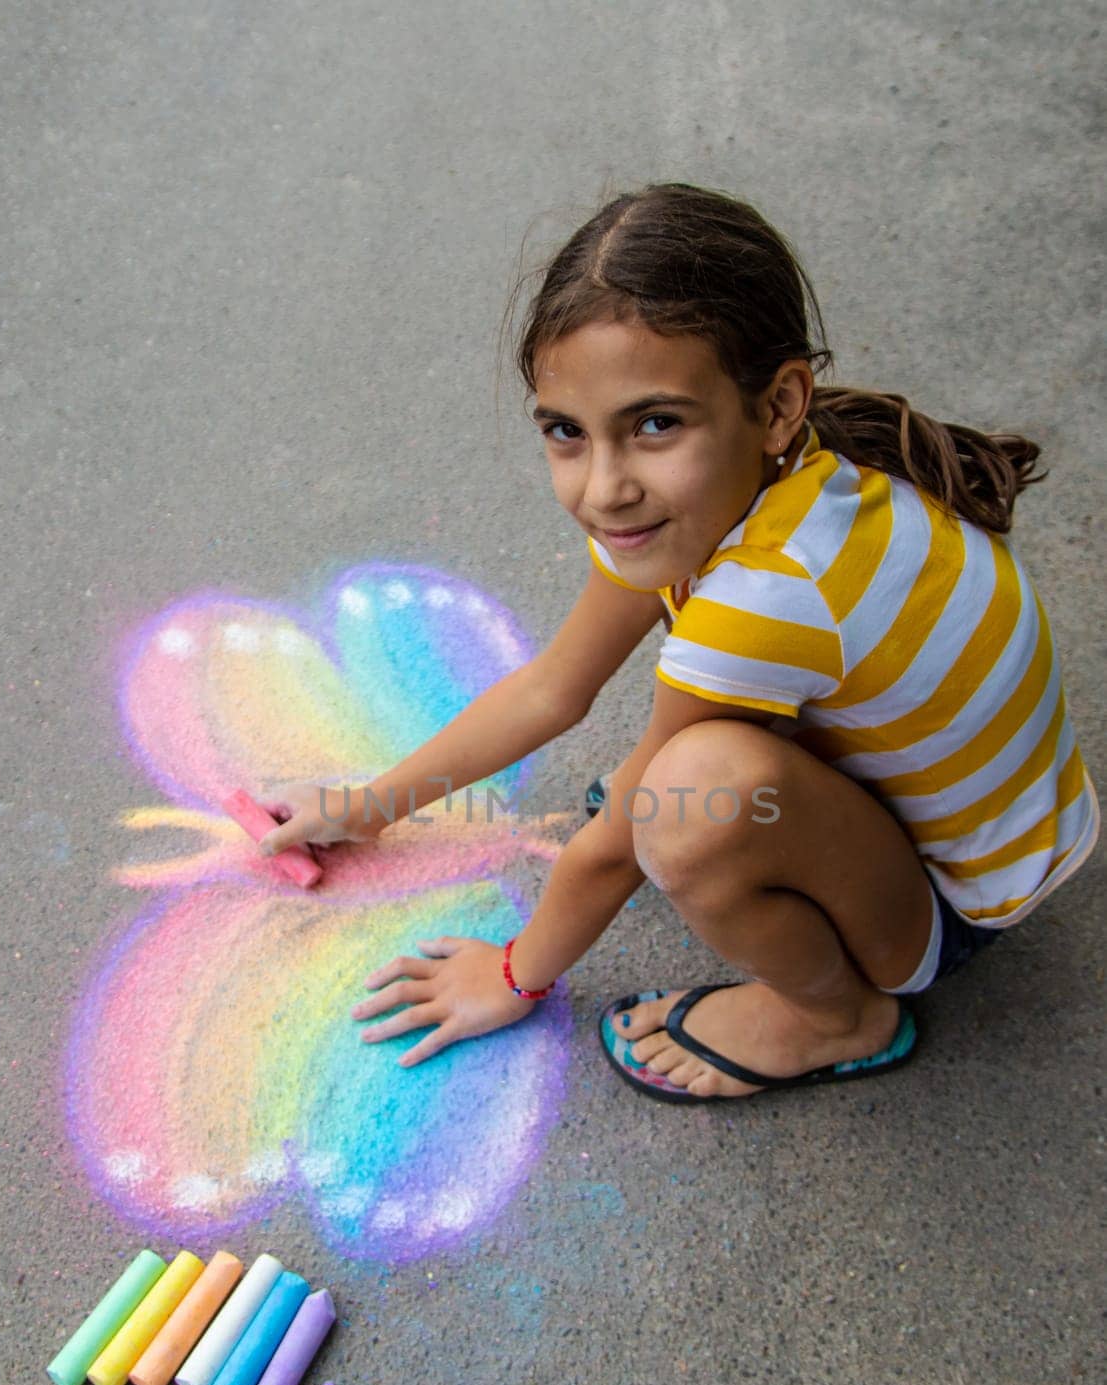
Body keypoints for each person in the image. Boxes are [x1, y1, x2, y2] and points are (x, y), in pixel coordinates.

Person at [256, 181, 1100, 1104]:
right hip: (938, 821)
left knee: (682, 809)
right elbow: (553, 690)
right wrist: (369, 806)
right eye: (566, 434)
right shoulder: (753, 485)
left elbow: (621, 843)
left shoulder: (772, 591)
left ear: (777, 404)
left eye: (654, 424)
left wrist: (513, 974)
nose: (604, 486)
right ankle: (747, 838)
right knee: (670, 787)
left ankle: (836, 1017)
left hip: (951, 904)